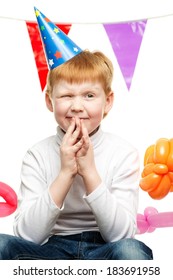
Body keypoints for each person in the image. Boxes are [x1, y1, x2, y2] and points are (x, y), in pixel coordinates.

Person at [0, 8, 153, 260]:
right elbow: (27, 236)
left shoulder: (123, 153)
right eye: (67, 95)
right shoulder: (37, 155)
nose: (77, 106)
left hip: (105, 248)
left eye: (89, 95)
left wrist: (89, 171)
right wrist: (65, 172)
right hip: (52, 249)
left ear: (108, 102)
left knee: (131, 251)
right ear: (50, 102)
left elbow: (122, 236)